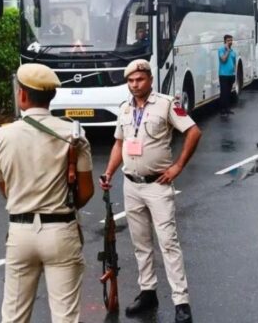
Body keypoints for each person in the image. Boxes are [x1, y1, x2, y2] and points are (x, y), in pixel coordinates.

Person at [0, 64, 94, 323]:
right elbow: (86, 191)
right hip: (61, 230)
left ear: (21, 95)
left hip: (20, 231)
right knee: (65, 316)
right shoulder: (74, 134)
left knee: (14, 315)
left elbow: (5, 187)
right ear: (52, 97)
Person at [101, 60, 202, 323]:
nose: (135, 85)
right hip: (131, 185)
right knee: (140, 243)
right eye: (131, 81)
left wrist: (178, 165)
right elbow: (119, 144)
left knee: (168, 243)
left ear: (150, 80)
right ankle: (148, 293)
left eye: (140, 80)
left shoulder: (167, 104)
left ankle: (181, 302)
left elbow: (193, 132)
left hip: (158, 185)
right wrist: (110, 172)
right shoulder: (124, 109)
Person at [218, 35, 236, 116]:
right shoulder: (221, 50)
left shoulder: (233, 51)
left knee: (228, 92)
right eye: (228, 40)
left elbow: (234, 63)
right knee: (224, 92)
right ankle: (222, 109)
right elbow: (223, 59)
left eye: (231, 40)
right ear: (225, 41)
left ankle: (227, 108)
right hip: (223, 75)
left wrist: (234, 72)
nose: (230, 42)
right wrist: (227, 51)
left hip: (231, 75)